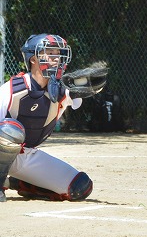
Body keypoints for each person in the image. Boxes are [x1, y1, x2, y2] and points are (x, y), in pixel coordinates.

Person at [0, 34, 93, 202]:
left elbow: (82, 89)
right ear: (33, 59)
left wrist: (94, 83)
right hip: (2, 151)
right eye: (50, 53)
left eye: (58, 54)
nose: (56, 59)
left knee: (80, 186)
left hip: (24, 155)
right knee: (10, 130)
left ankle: (17, 183)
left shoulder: (60, 91)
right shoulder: (12, 90)